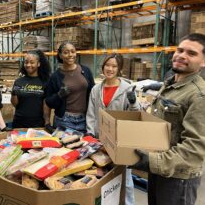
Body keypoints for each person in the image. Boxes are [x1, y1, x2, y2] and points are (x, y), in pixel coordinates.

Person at [131, 33, 205, 205]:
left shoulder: (199, 95)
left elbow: (194, 149)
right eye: (179, 50)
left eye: (191, 53)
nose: (181, 55)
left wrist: (152, 161)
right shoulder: (170, 84)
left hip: (178, 179)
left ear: (203, 62)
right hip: (160, 170)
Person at [86, 54, 140, 205]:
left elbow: (136, 114)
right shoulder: (96, 89)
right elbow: (91, 114)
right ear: (103, 67)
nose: (110, 69)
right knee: (104, 178)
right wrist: (90, 134)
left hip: (120, 142)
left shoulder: (127, 88)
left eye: (114, 66)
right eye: (107, 65)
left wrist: (133, 101)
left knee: (126, 180)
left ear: (119, 69)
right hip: (99, 141)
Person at [45, 42, 95, 133]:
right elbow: (48, 101)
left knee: (84, 146)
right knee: (64, 147)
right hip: (64, 120)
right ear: (60, 55)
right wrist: (59, 95)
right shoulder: (55, 77)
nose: (70, 55)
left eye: (73, 51)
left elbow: (93, 93)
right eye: (66, 52)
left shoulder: (86, 71)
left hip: (84, 120)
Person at [11, 50, 51, 128]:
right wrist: (14, 93)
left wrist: (47, 122)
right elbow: (15, 104)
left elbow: (46, 104)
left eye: (32, 62)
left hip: (38, 123)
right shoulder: (19, 81)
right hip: (19, 123)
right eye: (26, 62)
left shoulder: (45, 82)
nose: (28, 65)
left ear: (38, 64)